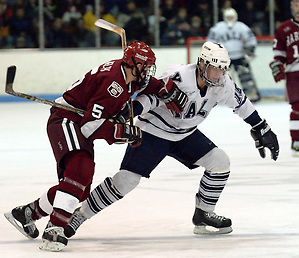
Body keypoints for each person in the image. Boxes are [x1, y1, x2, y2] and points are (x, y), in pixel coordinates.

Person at [63, 41, 279, 239]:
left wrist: (261, 126)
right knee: (127, 180)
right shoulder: (180, 76)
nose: (219, 73)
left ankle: (204, 213)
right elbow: (152, 96)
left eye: (223, 68)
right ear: (202, 64)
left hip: (185, 134)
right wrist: (131, 111)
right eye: (215, 67)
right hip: (153, 132)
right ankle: (80, 214)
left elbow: (240, 104)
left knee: (220, 162)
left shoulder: (223, 83)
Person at [4, 40, 188, 252]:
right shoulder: (114, 86)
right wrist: (122, 132)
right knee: (80, 171)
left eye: (148, 67)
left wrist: (165, 90)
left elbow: (149, 84)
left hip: (78, 122)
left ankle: (26, 213)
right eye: (144, 66)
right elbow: (90, 127)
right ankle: (55, 228)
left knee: (79, 190)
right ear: (132, 63)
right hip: (67, 119)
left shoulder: (132, 76)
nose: (147, 71)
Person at [207, 7, 261, 102]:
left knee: (246, 78)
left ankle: (252, 95)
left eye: (231, 17)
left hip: (239, 56)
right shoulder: (218, 27)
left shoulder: (241, 26)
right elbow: (210, 41)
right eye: (228, 17)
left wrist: (250, 49)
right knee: (217, 78)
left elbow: (251, 39)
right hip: (223, 57)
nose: (230, 19)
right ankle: (212, 97)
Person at [269, 0, 299, 157]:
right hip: (294, 74)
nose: (298, 7)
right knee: (297, 108)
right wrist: (278, 64)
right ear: (291, 7)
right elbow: (278, 52)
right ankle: (296, 141)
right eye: (295, 4)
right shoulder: (284, 28)